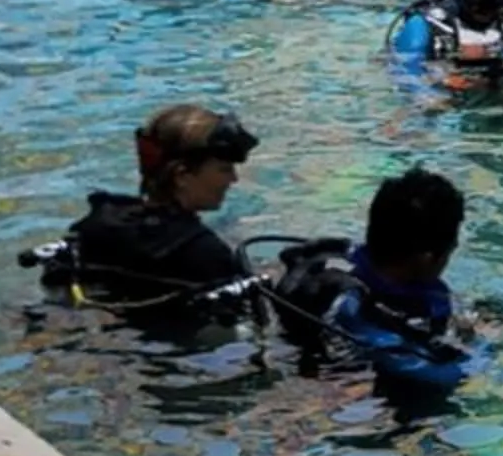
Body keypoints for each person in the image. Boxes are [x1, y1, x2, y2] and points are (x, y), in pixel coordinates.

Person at [273, 168, 472, 413]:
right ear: (426, 258)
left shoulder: (337, 262)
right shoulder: (360, 312)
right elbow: (441, 375)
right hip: (335, 392)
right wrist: (478, 348)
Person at [45, 104, 260, 310]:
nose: (233, 179)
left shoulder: (95, 226)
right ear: (182, 176)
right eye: (224, 169)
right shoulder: (205, 253)